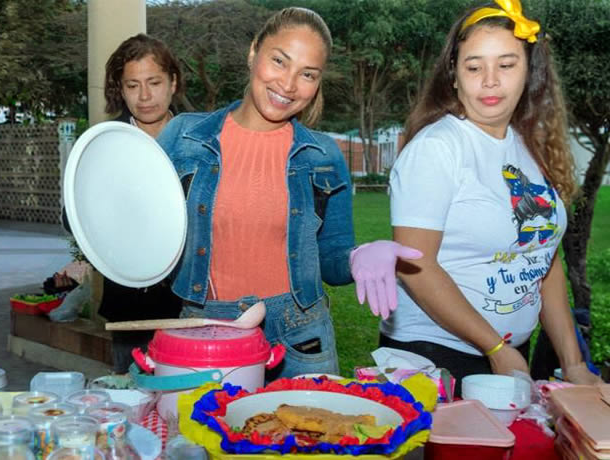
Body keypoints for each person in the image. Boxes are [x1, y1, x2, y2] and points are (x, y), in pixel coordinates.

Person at [156, 7, 419, 379]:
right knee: (200, 437)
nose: (289, 84)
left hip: (301, 334)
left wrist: (358, 256)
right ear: (253, 53)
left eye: (307, 74)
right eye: (279, 61)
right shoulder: (183, 137)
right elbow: (137, 225)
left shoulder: (323, 155)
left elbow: (331, 261)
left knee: (310, 436)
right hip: (207, 327)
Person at [380, 0, 601, 390]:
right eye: (474, 66)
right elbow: (417, 267)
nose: (490, 80)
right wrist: (495, 346)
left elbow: (543, 260)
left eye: (506, 64)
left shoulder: (529, 145)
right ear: (454, 76)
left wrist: (573, 363)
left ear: (529, 72)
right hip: (438, 356)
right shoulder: (438, 148)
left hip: (509, 352)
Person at [63, 33, 184, 373]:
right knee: (133, 407)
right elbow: (74, 217)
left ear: (172, 83)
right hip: (132, 312)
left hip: (193, 307)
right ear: (121, 89)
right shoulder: (104, 146)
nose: (144, 96)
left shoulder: (198, 140)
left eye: (154, 82)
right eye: (132, 85)